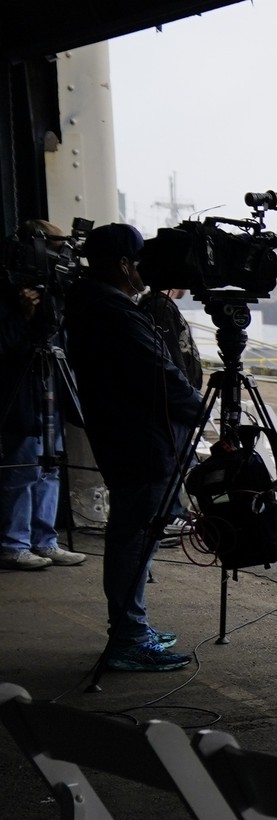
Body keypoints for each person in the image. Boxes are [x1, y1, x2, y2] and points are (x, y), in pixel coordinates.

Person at [66, 223, 199, 671]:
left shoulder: (93, 305)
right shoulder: (114, 312)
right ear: (123, 264)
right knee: (132, 539)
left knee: (133, 536)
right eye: (139, 261)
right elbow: (160, 375)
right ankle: (128, 637)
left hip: (125, 439)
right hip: (140, 443)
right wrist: (201, 410)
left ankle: (132, 627)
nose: (146, 270)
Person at [1, 221, 87, 572]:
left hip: (49, 391)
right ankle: (12, 544)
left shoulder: (56, 292)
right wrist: (23, 314)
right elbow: (4, 345)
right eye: (55, 244)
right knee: (22, 469)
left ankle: (44, 540)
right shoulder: (8, 295)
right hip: (21, 395)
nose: (62, 253)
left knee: (49, 469)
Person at [139, 286, 201, 532]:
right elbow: (171, 360)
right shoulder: (159, 307)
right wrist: (188, 400)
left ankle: (172, 512)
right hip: (172, 405)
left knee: (179, 459)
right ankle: (168, 514)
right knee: (172, 459)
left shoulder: (161, 306)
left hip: (175, 403)